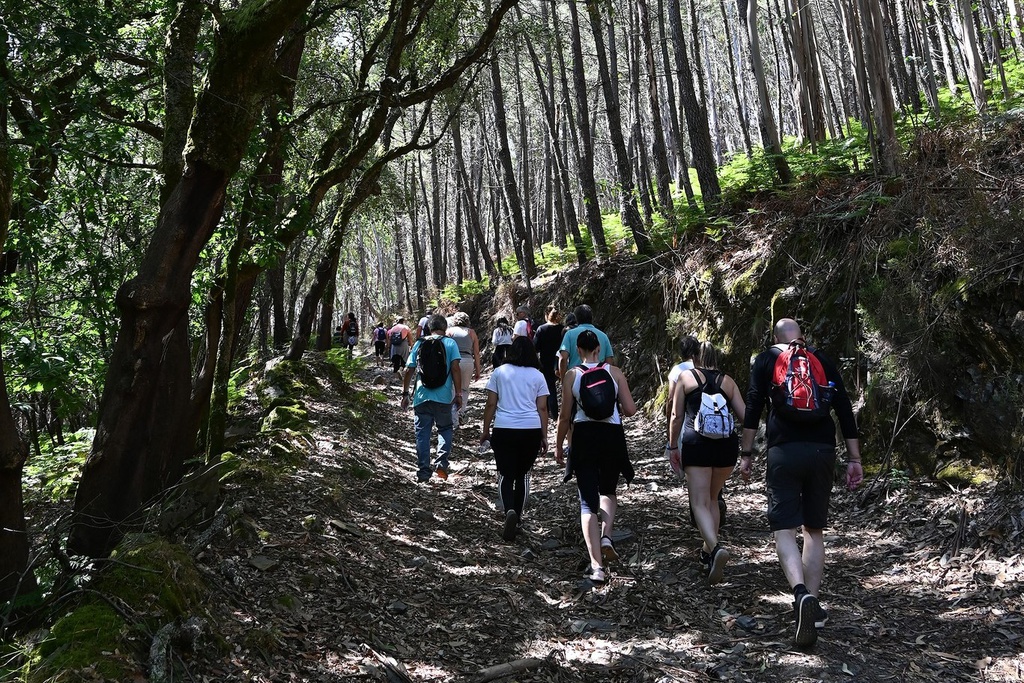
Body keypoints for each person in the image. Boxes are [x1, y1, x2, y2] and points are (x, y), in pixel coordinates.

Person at [739, 318, 863, 647]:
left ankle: (799, 594)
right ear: (802, 338)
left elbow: (753, 405)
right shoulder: (820, 359)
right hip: (823, 450)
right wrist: (855, 459)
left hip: (783, 452)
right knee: (814, 529)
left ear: (774, 339)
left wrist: (747, 453)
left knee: (784, 530)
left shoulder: (766, 360)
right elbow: (844, 407)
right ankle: (814, 604)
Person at [554, 330, 637, 585]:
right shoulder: (615, 372)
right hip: (612, 436)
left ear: (578, 350)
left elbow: (565, 416)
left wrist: (559, 446)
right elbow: (631, 410)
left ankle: (596, 566)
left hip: (585, 437)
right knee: (609, 490)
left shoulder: (572, 375)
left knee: (587, 502)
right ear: (598, 350)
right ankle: (607, 536)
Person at [666, 341, 746, 584]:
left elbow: (676, 415)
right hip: (726, 446)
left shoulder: (686, 378)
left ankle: (715, 547)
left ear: (696, 358)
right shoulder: (728, 381)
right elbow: (744, 415)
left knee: (699, 502)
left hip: (696, 443)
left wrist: (672, 446)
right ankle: (708, 552)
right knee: (713, 498)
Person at [480, 336, 549, 541]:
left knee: (505, 474)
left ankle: (508, 510)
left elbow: (491, 404)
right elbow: (542, 407)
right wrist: (544, 436)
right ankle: (517, 518)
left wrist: (485, 430)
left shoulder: (499, 372)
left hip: (504, 429)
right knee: (523, 475)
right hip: (530, 429)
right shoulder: (538, 375)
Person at [401, 314, 463, 483]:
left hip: (422, 396)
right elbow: (456, 369)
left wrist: (405, 393)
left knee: (422, 434)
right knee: (445, 428)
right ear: (445, 328)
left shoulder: (420, 343)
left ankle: (423, 472)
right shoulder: (450, 343)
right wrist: (458, 394)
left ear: (429, 327)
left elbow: (409, 370)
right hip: (443, 397)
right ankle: (442, 463)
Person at [557, 304, 614, 379]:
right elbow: (609, 361)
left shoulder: (569, 334)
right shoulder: (603, 336)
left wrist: (564, 381)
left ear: (577, 319)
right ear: (591, 318)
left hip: (576, 378)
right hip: (599, 379)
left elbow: (563, 359)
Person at [665, 335, 700, 444]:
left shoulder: (676, 370)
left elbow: (671, 398)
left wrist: (669, 424)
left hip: (683, 419)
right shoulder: (702, 367)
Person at [446, 312, 481, 422]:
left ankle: (453, 416)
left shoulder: (449, 331)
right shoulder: (471, 333)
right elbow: (476, 353)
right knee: (464, 388)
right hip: (468, 361)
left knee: (452, 387)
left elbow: (445, 349)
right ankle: (461, 412)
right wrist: (478, 371)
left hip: (453, 361)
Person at [532, 306, 564, 421]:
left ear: (547, 315)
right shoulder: (563, 329)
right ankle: (561, 413)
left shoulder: (541, 329)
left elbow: (535, 347)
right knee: (562, 388)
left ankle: (550, 414)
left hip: (545, 362)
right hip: (560, 362)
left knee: (548, 389)